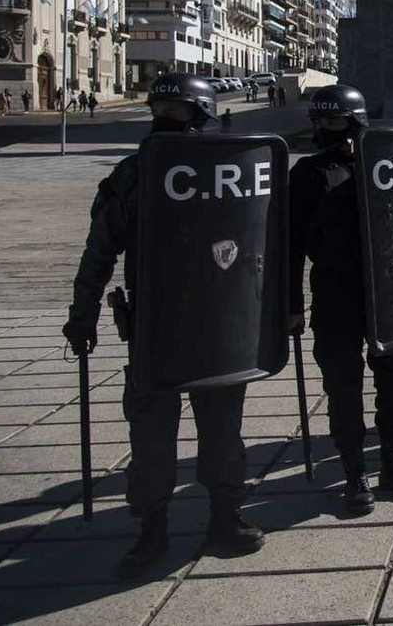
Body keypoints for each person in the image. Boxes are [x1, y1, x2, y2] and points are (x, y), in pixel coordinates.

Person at [62, 73, 264, 578]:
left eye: (175, 116)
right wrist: (82, 314)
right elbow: (100, 249)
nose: (162, 124)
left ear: (201, 119)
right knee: (152, 437)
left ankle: (224, 515)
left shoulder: (231, 171)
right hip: (156, 329)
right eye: (158, 114)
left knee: (223, 433)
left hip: (219, 327)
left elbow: (259, 246)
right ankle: (152, 526)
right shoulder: (136, 176)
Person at [294, 85, 393, 516]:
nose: (324, 130)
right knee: (342, 383)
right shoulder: (306, 174)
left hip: (388, 286)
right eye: (319, 121)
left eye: (333, 121)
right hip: (335, 289)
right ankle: (354, 473)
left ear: (354, 123)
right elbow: (289, 243)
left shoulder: (386, 166)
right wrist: (289, 304)